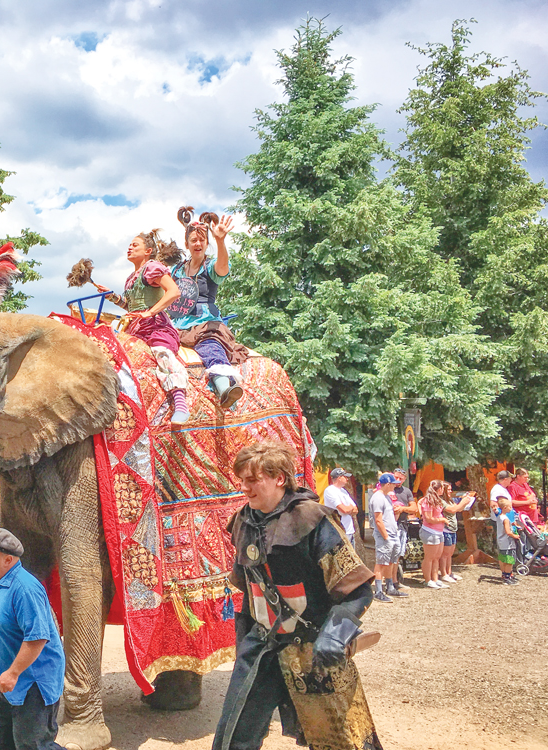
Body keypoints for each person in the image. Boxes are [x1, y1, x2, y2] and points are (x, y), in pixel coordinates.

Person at [213, 441, 379, 750]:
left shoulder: (312, 520)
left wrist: (335, 633)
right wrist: (244, 646)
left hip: (314, 650)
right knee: (233, 739)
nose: (245, 488)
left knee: (346, 741)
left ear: (278, 478)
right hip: (262, 648)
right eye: (242, 480)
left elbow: (358, 588)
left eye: (253, 480)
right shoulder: (241, 522)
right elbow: (249, 593)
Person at [0, 528, 66, 750]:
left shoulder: (25, 589)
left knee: (32, 745)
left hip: (31, 684)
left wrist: (13, 672)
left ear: (8, 560)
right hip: (3, 680)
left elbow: (37, 638)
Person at [93, 230, 190, 424]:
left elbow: (173, 292)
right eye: (129, 244)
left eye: (135, 245)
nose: (129, 247)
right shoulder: (131, 278)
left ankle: (181, 404)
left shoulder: (152, 267)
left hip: (156, 328)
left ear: (148, 251)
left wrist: (150, 312)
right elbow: (131, 306)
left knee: (162, 353)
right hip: (134, 330)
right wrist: (112, 296)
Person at [168, 209, 246, 407]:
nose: (198, 244)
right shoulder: (176, 270)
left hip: (205, 325)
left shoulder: (209, 266)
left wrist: (221, 241)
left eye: (202, 240)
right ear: (186, 244)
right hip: (177, 326)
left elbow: (223, 268)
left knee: (210, 347)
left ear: (207, 243)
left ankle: (225, 390)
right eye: (193, 240)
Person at [368, 473, 403, 601]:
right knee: (381, 562)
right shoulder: (378, 498)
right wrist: (386, 537)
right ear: (388, 484)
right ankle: (378, 591)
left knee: (390, 561)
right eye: (393, 483)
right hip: (385, 535)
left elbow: (389, 517)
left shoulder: (386, 497)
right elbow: (378, 520)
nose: (395, 485)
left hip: (393, 534)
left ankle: (390, 587)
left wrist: (396, 513)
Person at [437, 482, 470, 585]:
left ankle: (449, 572)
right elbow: (453, 510)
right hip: (445, 529)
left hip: (452, 529)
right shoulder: (441, 501)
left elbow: (458, 508)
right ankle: (443, 574)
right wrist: (464, 502)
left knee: (450, 554)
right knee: (444, 554)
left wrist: (465, 501)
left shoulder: (450, 500)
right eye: (448, 489)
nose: (450, 491)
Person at [417, 480, 447, 590]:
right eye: (442, 488)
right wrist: (442, 519)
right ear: (438, 489)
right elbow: (429, 519)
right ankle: (427, 580)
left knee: (437, 557)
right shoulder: (427, 501)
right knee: (429, 557)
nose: (443, 490)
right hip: (430, 532)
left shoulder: (438, 500)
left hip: (439, 532)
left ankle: (435, 579)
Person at [322, 468, 358, 545]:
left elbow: (356, 510)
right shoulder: (330, 491)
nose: (347, 479)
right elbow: (343, 510)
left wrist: (348, 508)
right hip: (339, 532)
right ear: (339, 478)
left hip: (350, 531)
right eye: (345, 477)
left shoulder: (343, 491)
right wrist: (349, 508)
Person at [496, 495, 521, 585]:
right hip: (507, 543)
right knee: (509, 560)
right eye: (510, 507)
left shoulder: (499, 517)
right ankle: (507, 577)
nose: (511, 509)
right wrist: (515, 536)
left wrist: (512, 524)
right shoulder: (506, 519)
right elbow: (508, 532)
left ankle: (505, 575)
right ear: (505, 508)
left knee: (503, 559)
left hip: (501, 542)